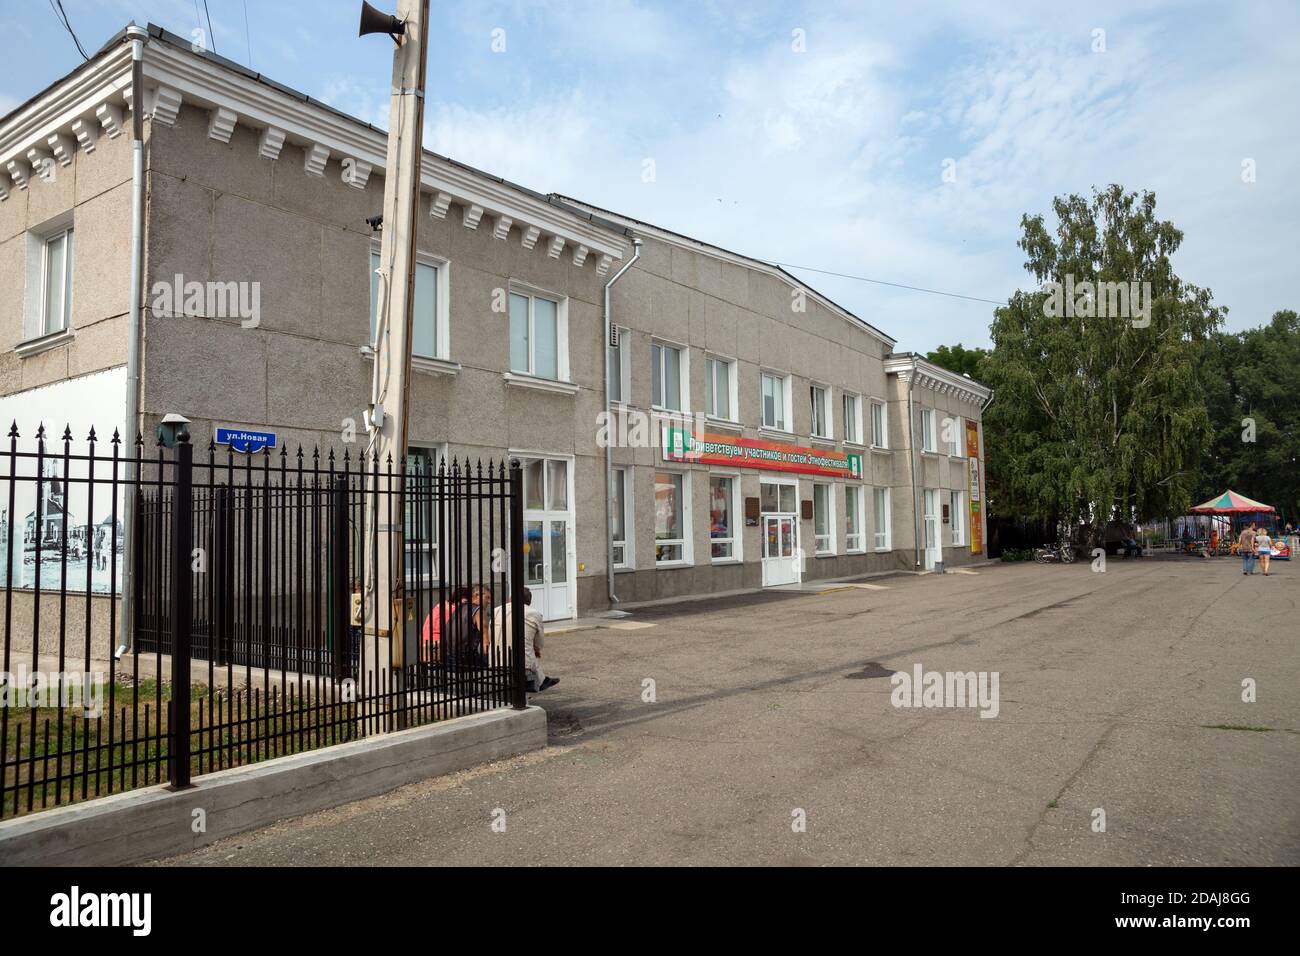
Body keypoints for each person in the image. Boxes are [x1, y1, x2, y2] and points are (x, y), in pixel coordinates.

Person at [493, 587, 558, 693]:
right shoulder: (534, 613)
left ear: (510, 599)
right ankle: (542, 681)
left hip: (495, 658)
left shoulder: (497, 610)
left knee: (526, 650)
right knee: (529, 653)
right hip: (521, 661)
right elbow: (539, 643)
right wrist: (536, 649)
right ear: (529, 602)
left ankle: (543, 680)